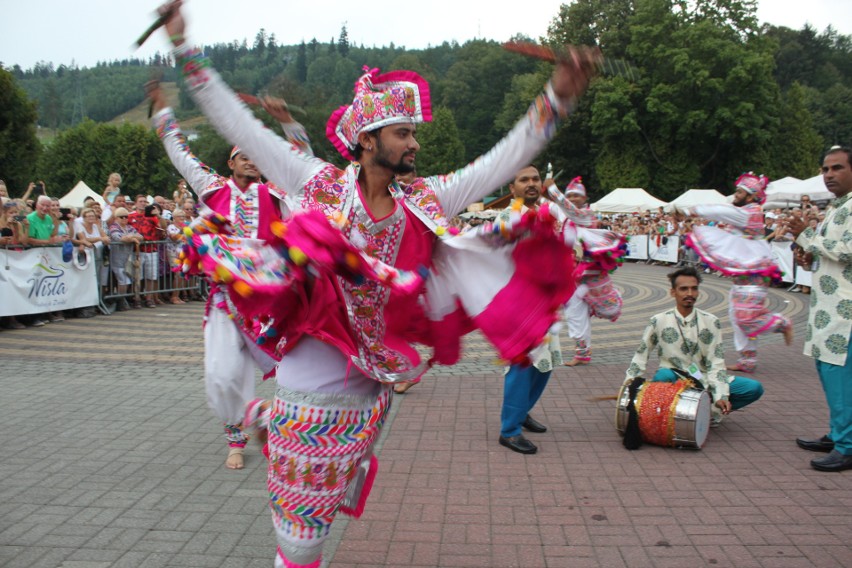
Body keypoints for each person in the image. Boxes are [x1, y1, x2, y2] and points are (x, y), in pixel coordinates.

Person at [159, 2, 596, 565]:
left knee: (329, 494)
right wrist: (184, 48)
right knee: (300, 537)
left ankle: (267, 425)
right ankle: (272, 430)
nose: (415, 144)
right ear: (368, 140)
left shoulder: (427, 199)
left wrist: (558, 95)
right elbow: (238, 124)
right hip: (312, 374)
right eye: (403, 133)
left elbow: (504, 157)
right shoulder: (311, 182)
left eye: (413, 133)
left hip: (373, 383)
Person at [147, 79, 307, 469]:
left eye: (257, 155)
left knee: (297, 369)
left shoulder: (277, 194)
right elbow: (180, 152)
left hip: (270, 301)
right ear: (231, 162)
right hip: (225, 302)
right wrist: (163, 110)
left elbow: (303, 162)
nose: (252, 159)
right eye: (243, 155)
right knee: (221, 374)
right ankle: (240, 432)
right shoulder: (212, 188)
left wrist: (286, 122)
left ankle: (282, 426)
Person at [677, 173, 793, 373]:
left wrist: (689, 211)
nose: (735, 195)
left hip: (755, 274)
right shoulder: (745, 214)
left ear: (750, 196)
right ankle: (747, 361)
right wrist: (694, 228)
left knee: (745, 317)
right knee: (735, 316)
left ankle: (781, 323)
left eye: (739, 192)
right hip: (744, 274)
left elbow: (720, 211)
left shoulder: (749, 213)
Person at [625, 267, 764, 425]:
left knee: (753, 388)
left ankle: (708, 413)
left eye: (694, 289)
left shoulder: (711, 321)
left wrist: (720, 396)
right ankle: (668, 415)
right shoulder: (659, 320)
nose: (689, 293)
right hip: (673, 377)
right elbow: (641, 354)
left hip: (702, 377)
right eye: (683, 289)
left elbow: (716, 361)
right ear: (673, 292)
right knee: (663, 376)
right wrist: (629, 385)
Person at [786, 147, 852, 472]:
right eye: (825, 169)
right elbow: (830, 251)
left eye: (837, 168)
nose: (828, 175)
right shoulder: (837, 208)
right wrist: (809, 255)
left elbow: (849, 250)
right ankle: (840, 434)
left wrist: (807, 237)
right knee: (830, 376)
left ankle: (848, 446)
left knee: (842, 380)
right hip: (828, 311)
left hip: (846, 315)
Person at [497, 166, 563, 455]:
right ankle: (509, 430)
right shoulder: (507, 219)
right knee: (523, 365)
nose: (532, 184)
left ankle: (522, 411)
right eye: (524, 180)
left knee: (544, 366)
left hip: (545, 304)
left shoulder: (550, 214)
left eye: (535, 179)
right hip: (518, 305)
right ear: (512, 188)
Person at [553, 177, 624, 366]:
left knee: (609, 308)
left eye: (577, 195)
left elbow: (567, 208)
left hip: (592, 275)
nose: (573, 198)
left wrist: (552, 189)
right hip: (573, 277)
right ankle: (582, 354)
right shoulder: (567, 219)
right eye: (570, 195)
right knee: (575, 314)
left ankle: (604, 303)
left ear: (585, 198)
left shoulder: (585, 215)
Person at [128, 201, 166, 307]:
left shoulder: (154, 218)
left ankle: (149, 299)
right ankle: (137, 298)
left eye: (145, 201)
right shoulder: (133, 216)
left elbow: (163, 228)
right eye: (140, 201)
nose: (143, 203)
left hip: (152, 250)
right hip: (138, 250)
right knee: (138, 277)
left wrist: (158, 215)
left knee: (151, 276)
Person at [108, 207, 144, 310]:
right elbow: (119, 238)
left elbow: (140, 236)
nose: (124, 219)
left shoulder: (129, 227)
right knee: (122, 281)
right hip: (117, 258)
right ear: (116, 218)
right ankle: (120, 301)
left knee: (127, 281)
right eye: (121, 217)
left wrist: (131, 237)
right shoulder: (113, 227)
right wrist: (132, 238)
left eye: (126, 217)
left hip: (127, 259)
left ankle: (121, 300)